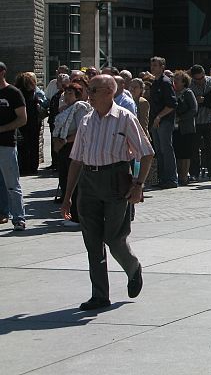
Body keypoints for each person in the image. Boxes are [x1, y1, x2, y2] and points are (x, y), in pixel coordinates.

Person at [61, 74, 154, 311]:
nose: (88, 94)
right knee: (92, 242)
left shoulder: (125, 118)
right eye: (88, 90)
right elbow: (76, 161)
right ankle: (100, 294)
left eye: (92, 90)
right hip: (89, 182)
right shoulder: (86, 121)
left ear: (108, 92)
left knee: (114, 238)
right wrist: (68, 195)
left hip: (116, 180)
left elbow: (146, 152)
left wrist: (139, 185)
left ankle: (133, 268)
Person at [51, 83, 92, 224]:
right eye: (66, 93)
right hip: (63, 148)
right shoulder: (65, 109)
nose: (67, 96)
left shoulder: (79, 108)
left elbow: (82, 130)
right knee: (64, 179)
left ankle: (76, 216)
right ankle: (70, 213)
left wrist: (65, 141)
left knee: (73, 181)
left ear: (77, 95)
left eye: (70, 93)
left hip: (73, 147)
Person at [0, 62, 27, 231]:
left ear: (2, 72)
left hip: (6, 144)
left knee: (11, 183)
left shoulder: (13, 93)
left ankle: (19, 218)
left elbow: (22, 119)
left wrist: (2, 129)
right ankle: (3, 213)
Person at [148, 57, 178, 189]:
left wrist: (159, 117)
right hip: (155, 121)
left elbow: (172, 104)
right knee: (159, 151)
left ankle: (171, 179)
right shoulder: (154, 82)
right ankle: (162, 178)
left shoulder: (165, 82)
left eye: (155, 65)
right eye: (152, 65)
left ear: (162, 67)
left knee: (166, 149)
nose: (153, 67)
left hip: (164, 120)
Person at [189, 65, 211, 181]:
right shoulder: (190, 84)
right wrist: (195, 100)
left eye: (201, 78)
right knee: (194, 148)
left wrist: (205, 100)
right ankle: (194, 173)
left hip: (210, 119)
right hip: (195, 121)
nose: (199, 81)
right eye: (197, 79)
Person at [14, 72, 47, 176]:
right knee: (30, 146)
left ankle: (27, 167)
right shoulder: (30, 94)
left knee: (26, 146)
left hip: (29, 123)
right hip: (31, 123)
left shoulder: (23, 93)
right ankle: (31, 167)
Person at [173, 71, 198, 186]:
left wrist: (181, 118)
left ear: (184, 82)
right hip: (174, 128)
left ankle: (184, 176)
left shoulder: (188, 93)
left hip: (186, 128)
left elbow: (194, 109)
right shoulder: (172, 92)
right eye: (174, 78)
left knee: (185, 153)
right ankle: (179, 175)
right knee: (177, 152)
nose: (175, 81)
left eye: (177, 79)